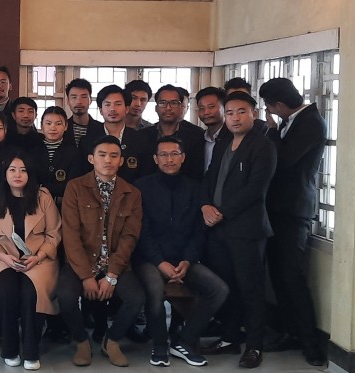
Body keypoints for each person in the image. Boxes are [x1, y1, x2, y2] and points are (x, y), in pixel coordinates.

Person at [133, 137, 229, 367]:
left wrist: (187, 260)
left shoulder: (195, 188)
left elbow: (199, 231)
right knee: (154, 289)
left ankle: (185, 341)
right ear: (155, 159)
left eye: (174, 154)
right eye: (163, 155)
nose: (169, 159)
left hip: (184, 259)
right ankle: (159, 344)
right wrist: (160, 262)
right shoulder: (140, 187)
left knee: (219, 289)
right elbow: (140, 232)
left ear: (183, 157)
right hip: (149, 259)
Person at [199, 91, 276, 369]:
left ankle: (254, 346)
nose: (234, 117)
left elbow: (256, 189)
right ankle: (230, 336)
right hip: (218, 230)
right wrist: (206, 204)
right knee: (227, 287)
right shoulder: (223, 143)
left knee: (251, 289)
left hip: (246, 230)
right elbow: (209, 177)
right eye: (229, 112)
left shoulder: (263, 146)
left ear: (253, 114)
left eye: (241, 111)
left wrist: (221, 213)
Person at [58, 136, 145, 367]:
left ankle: (112, 340)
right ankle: (81, 340)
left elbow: (130, 237)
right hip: (81, 262)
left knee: (136, 298)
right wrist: (87, 277)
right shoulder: (75, 187)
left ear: (121, 161)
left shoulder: (132, 193)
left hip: (115, 263)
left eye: (114, 156)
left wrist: (112, 275)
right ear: (91, 158)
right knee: (65, 296)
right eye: (102, 155)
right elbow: (70, 234)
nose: (108, 160)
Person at [259, 77, 328, 366]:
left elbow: (285, 160)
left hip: (293, 211)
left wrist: (273, 132)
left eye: (269, 107)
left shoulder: (311, 122)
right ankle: (289, 332)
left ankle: (310, 344)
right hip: (278, 210)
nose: (269, 112)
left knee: (292, 278)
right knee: (278, 277)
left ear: (278, 105)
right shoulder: (295, 120)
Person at [0, 152, 61, 370]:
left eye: (23, 170)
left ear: (30, 174)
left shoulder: (43, 197)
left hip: (38, 259)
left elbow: (54, 233)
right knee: (5, 289)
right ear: (5, 173)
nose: (18, 175)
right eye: (12, 170)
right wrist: (3, 256)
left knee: (30, 292)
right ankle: (9, 347)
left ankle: (31, 350)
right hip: (4, 259)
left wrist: (39, 256)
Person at [79, 84, 151, 183]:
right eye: (107, 104)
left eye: (118, 104)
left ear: (126, 109)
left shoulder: (141, 139)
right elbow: (83, 176)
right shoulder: (87, 141)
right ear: (100, 110)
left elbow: (145, 176)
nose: (112, 109)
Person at [140, 85, 205, 179]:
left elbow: (197, 173)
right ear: (156, 108)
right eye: (163, 103)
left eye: (174, 103)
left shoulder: (195, 137)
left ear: (180, 107)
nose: (168, 108)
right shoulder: (142, 136)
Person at [29, 106, 84, 205]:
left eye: (58, 124)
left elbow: (72, 185)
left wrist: (42, 187)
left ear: (66, 126)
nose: (53, 128)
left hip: (64, 204)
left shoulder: (73, 152)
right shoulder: (32, 151)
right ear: (42, 126)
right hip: (34, 203)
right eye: (48, 123)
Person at [196, 87, 227, 173]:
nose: (206, 112)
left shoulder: (233, 138)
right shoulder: (198, 138)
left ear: (224, 108)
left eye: (211, 107)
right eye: (201, 108)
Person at [64, 78, 102, 147]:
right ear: (67, 101)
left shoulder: (101, 129)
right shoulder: (62, 128)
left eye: (84, 97)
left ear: (90, 100)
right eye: (74, 97)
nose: (79, 102)